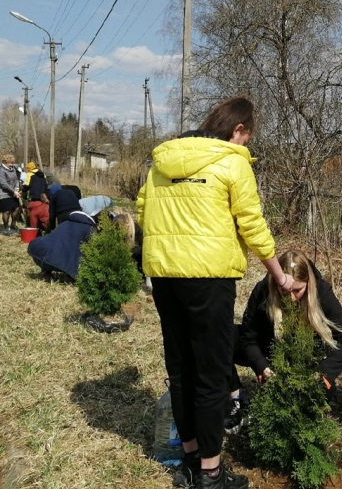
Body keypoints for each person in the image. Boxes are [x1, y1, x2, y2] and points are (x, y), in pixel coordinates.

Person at [137, 96, 296, 489]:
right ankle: (211, 473)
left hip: (165, 277)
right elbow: (252, 225)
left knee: (180, 369)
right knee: (211, 374)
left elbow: (143, 211)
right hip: (208, 278)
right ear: (238, 129)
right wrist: (279, 275)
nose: (246, 146)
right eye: (247, 138)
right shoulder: (232, 161)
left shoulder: (162, 161)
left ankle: (190, 461)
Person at [227, 249, 342, 431]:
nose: (291, 298)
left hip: (305, 360)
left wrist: (324, 372)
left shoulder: (321, 291)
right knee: (223, 339)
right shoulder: (263, 289)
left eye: (297, 290)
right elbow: (248, 338)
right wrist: (262, 366)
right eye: (284, 291)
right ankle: (236, 398)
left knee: (319, 397)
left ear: (308, 283)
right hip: (269, 353)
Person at [27, 210, 97, 281]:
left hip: (39, 253)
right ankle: (68, 275)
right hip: (61, 260)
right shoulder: (90, 229)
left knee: (52, 247)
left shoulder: (64, 223)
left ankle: (46, 272)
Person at [0, 154, 22, 235]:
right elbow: (3, 184)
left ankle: (13, 225)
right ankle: (6, 227)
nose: (11, 164)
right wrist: (13, 191)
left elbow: (16, 180)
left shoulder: (13, 169)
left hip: (13, 193)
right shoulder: (1, 171)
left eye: (12, 163)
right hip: (3, 194)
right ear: (4, 162)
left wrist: (17, 189)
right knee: (6, 211)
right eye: (9, 163)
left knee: (17, 209)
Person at [26, 162, 50, 234]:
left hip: (34, 198)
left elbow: (27, 185)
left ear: (29, 169)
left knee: (33, 215)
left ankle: (35, 231)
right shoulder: (43, 175)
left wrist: (21, 192)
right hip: (43, 198)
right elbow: (46, 186)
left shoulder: (30, 174)